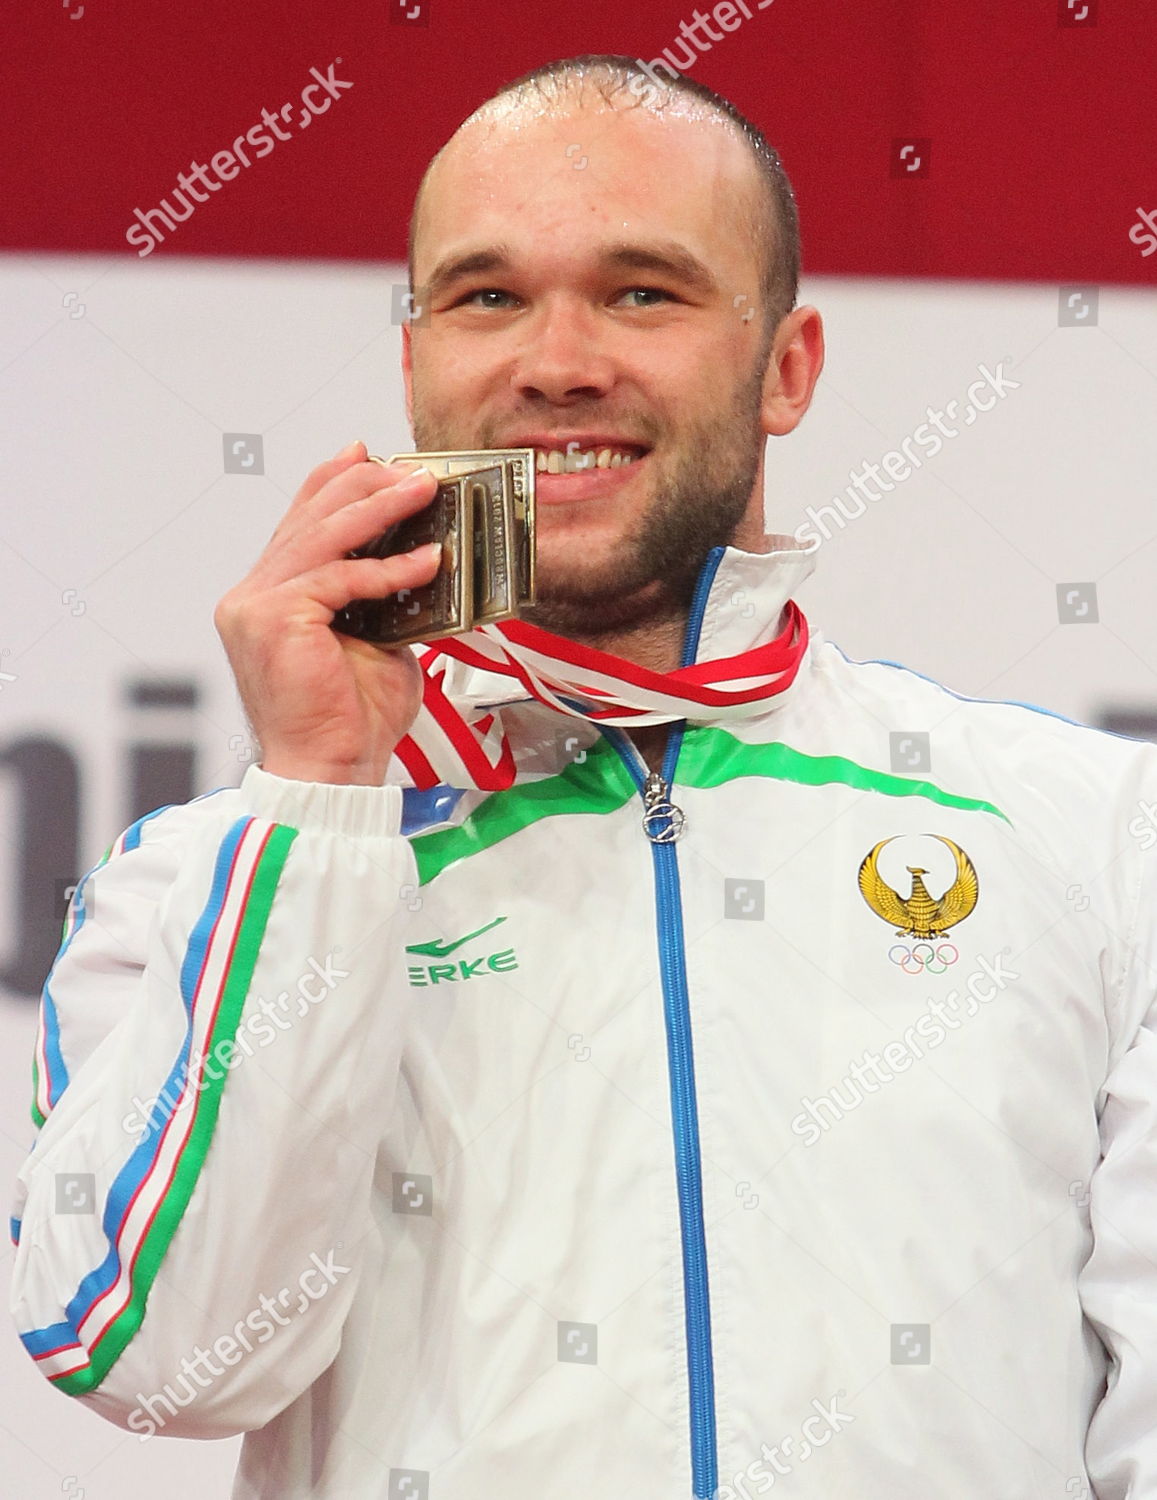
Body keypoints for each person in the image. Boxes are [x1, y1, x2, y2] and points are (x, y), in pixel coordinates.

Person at [9, 53, 1157, 1500]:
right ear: (415, 363)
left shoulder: (1090, 837)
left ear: (787, 367)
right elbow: (149, 1358)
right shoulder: (206, 880)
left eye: (642, 292)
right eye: (488, 296)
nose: (558, 361)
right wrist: (320, 798)